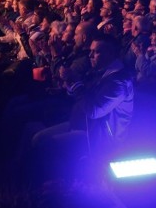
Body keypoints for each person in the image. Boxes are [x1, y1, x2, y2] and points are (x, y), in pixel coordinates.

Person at [28, 34, 134, 181]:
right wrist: (70, 83)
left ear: (110, 54)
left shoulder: (119, 82)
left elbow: (94, 110)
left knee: (46, 145)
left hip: (98, 139)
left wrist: (76, 85)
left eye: (96, 52)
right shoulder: (100, 72)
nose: (90, 55)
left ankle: (54, 187)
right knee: (37, 138)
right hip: (81, 125)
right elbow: (84, 93)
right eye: (90, 51)